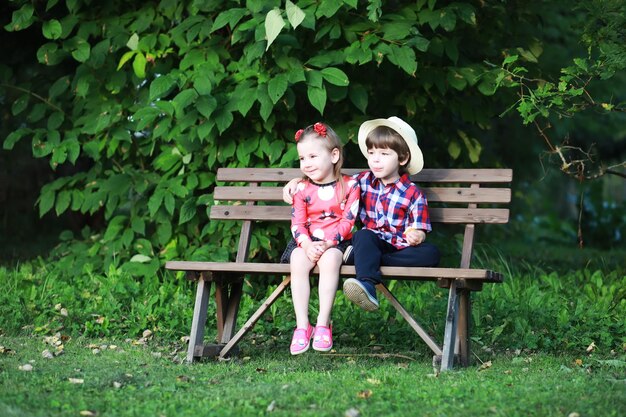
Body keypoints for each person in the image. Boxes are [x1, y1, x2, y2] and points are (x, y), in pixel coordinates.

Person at [284, 117, 440, 312]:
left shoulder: (413, 193)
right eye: (371, 152)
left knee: (432, 253)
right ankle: (367, 284)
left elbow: (420, 227)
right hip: (371, 242)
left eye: (384, 154)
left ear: (402, 158)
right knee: (363, 235)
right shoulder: (361, 181)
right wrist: (298, 181)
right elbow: (329, 178)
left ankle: (368, 261)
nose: (375, 159)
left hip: (399, 248)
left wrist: (418, 235)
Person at [281, 122, 360, 355]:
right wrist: (306, 244)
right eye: (302, 158)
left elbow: (349, 221)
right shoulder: (302, 189)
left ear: (334, 155)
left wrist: (327, 243)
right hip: (306, 242)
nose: (307, 163)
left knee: (330, 261)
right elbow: (297, 223)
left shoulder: (350, 185)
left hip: (337, 242)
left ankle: (323, 324)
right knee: (297, 260)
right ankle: (302, 326)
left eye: (313, 156)